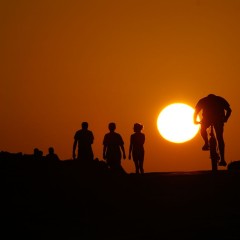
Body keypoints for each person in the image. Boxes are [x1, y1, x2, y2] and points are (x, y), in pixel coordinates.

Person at [193, 94, 232, 167]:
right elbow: (229, 110)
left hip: (208, 120)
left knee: (203, 129)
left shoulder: (203, 100)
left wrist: (194, 120)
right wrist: (225, 119)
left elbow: (196, 112)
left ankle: (206, 143)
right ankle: (222, 159)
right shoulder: (220, 99)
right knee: (220, 138)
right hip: (218, 120)